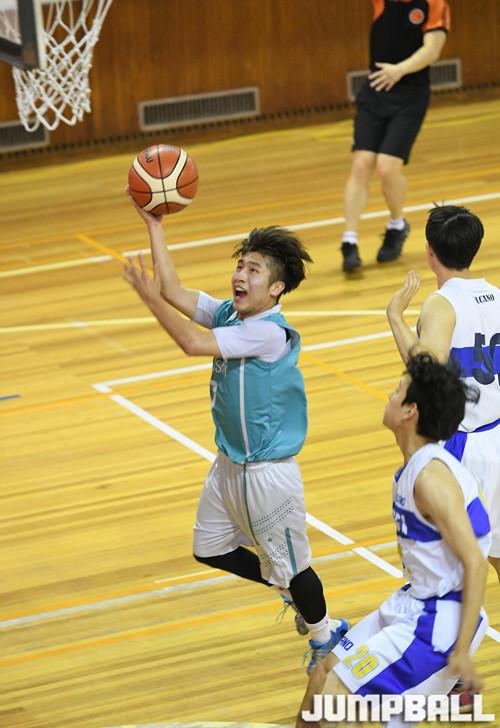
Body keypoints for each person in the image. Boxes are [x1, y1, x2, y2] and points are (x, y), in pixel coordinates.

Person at [123, 194, 349, 673]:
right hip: (229, 465)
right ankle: (290, 591)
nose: (240, 276)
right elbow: (174, 290)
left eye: (254, 270)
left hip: (268, 473)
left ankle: (325, 636)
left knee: (297, 566)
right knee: (210, 549)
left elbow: (191, 342)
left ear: (277, 288)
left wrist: (147, 299)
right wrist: (155, 225)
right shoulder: (232, 314)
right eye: (240, 266)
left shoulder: (267, 332)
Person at [297, 353, 491, 728]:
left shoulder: (431, 479)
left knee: (336, 701)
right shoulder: (414, 467)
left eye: (397, 391)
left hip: (439, 621)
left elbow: (476, 564)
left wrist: (462, 650)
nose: (389, 395)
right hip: (413, 602)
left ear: (410, 412)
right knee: (323, 674)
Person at [386, 205, 500, 585]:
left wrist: (395, 317)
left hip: (463, 448)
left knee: (447, 563)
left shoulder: (442, 303)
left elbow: (428, 372)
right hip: (498, 436)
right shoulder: (497, 295)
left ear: (430, 251)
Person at [340, 0, 450, 273]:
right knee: (361, 163)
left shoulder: (434, 4)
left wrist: (398, 70)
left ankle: (397, 225)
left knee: (387, 167)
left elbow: (432, 50)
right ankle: (349, 241)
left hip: (410, 97)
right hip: (376, 90)